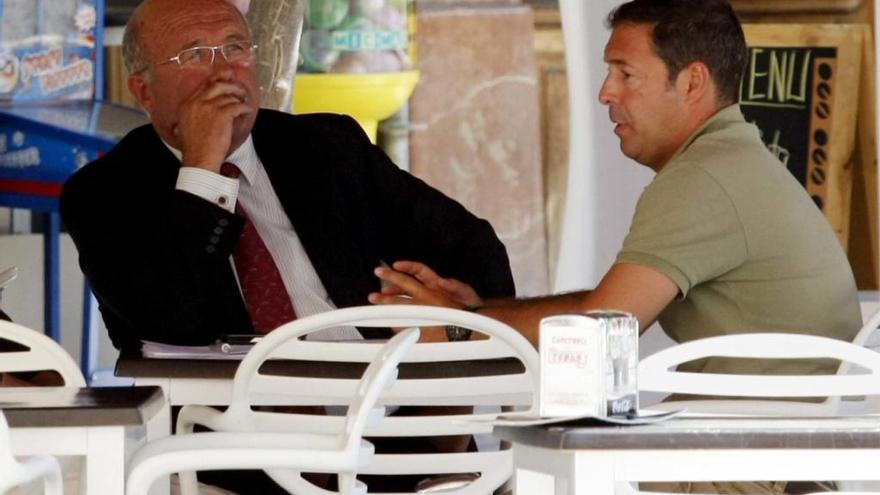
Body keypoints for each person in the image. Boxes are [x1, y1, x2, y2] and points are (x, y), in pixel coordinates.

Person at [371, 0, 861, 379]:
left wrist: (457, 329)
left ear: (692, 82)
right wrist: (477, 310)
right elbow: (605, 307)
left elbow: (598, 333)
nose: (606, 92)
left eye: (625, 73)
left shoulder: (704, 178)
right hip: (764, 448)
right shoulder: (727, 160)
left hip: (751, 467)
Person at [60, 0, 514, 356]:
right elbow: (167, 318)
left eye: (236, 48)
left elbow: (471, 244)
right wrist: (202, 166)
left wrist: (468, 311)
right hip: (230, 435)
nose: (224, 71)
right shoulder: (102, 192)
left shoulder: (327, 145)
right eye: (195, 54)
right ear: (144, 91)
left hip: (380, 408)